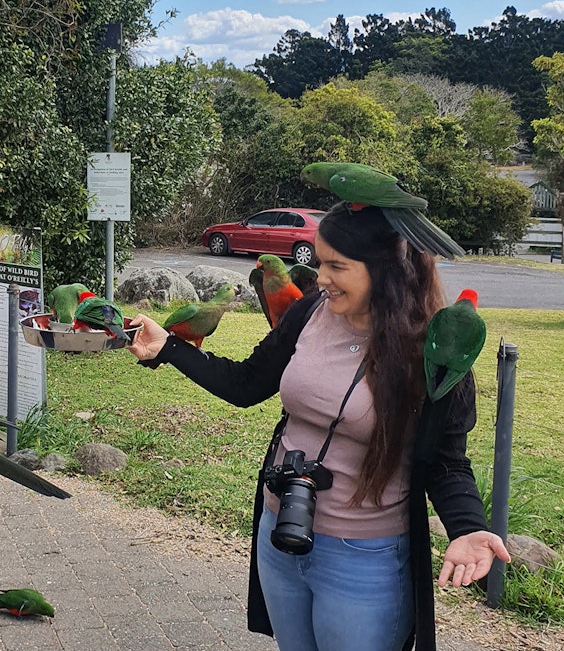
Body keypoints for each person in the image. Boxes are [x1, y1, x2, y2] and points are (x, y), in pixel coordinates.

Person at [125, 201, 510, 651]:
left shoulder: (434, 351)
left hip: (366, 559)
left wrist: (467, 528)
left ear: (386, 271)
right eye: (319, 260)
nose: (319, 277)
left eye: (336, 266)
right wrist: (170, 347)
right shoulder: (309, 313)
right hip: (281, 531)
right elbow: (248, 383)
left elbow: (446, 461)